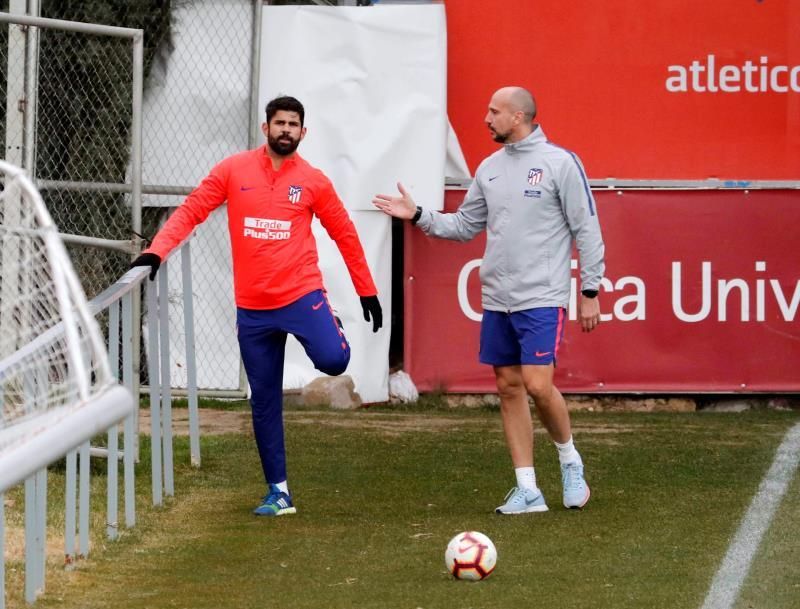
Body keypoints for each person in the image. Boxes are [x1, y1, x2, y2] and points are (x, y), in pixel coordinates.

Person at [132, 95, 382, 517]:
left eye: (293, 124)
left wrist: (366, 288)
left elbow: (344, 233)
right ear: (265, 128)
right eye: (279, 123)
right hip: (253, 309)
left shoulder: (314, 181)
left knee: (334, 361)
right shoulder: (234, 170)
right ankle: (279, 493)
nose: (286, 130)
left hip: (302, 296)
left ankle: (331, 325)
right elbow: (193, 209)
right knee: (263, 400)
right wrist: (157, 252)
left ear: (304, 132)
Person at [372, 86, 604, 514]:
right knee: (508, 386)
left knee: (538, 384)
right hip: (498, 297)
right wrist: (419, 214)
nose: (486, 118)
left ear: (519, 117)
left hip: (542, 294)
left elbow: (586, 229)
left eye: (494, 111)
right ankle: (528, 489)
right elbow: (464, 225)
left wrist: (590, 290)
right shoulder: (490, 168)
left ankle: (570, 461)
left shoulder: (560, 163)